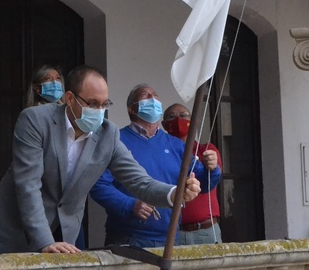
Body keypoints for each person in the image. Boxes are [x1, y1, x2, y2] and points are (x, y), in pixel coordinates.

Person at [0, 66, 204, 255]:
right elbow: (28, 185)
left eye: (104, 104)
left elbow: (137, 179)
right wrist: (44, 241)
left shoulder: (108, 133)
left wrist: (174, 193)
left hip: (62, 240)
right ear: (70, 99)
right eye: (92, 103)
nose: (99, 111)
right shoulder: (35, 120)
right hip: (6, 237)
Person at [90, 86, 220, 248]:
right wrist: (130, 205)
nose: (152, 99)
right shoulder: (116, 140)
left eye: (155, 95)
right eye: (146, 96)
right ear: (131, 109)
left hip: (171, 237)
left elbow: (204, 183)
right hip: (127, 237)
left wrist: (212, 169)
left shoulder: (176, 145)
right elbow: (98, 185)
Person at [163, 103, 223, 244]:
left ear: (193, 121)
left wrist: (213, 167)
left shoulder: (206, 150)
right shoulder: (161, 152)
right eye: (172, 117)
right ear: (164, 125)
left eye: (184, 116)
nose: (178, 120)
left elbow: (213, 179)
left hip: (206, 230)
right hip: (172, 231)